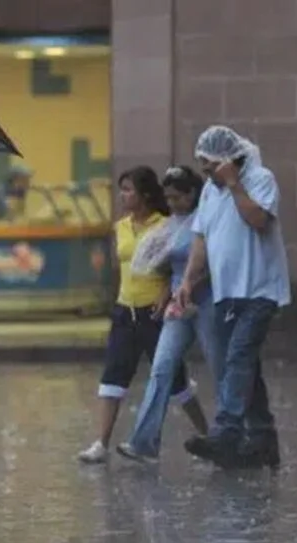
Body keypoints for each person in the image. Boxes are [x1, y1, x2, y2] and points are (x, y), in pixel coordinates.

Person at [177, 125, 291, 469]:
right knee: (245, 365)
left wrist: (234, 184)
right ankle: (262, 439)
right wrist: (187, 281)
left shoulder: (260, 179)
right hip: (227, 292)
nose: (206, 173)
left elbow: (258, 220)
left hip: (259, 289)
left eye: (210, 166)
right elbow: (201, 239)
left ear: (229, 161)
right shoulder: (210, 193)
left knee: (238, 357)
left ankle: (227, 431)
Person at [78, 166, 207, 464]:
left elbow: (173, 265)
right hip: (126, 310)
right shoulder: (120, 227)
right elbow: (120, 266)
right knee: (113, 375)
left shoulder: (166, 225)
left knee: (175, 382)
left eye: (128, 190)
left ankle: (207, 433)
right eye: (121, 189)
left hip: (156, 312)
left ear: (146, 194)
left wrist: (167, 292)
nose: (123, 195)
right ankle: (101, 443)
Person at [117, 165, 213, 463]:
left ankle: (232, 433)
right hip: (178, 303)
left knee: (222, 366)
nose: (171, 204)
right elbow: (161, 262)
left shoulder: (207, 220)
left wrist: (191, 282)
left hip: (207, 300)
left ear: (192, 194)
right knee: (161, 367)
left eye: (177, 198)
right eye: (167, 198)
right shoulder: (172, 224)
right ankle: (144, 442)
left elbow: (216, 260)